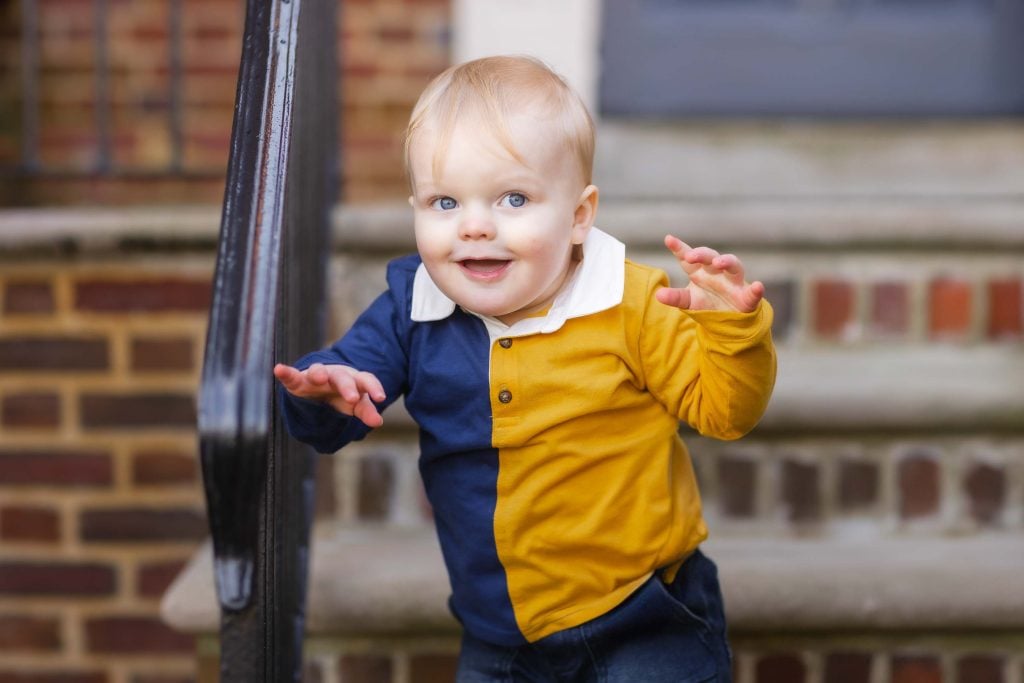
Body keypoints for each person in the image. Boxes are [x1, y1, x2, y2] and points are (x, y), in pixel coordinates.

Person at [275, 55, 776, 682]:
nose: (476, 226)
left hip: (646, 611)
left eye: (513, 198)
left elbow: (726, 413)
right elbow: (339, 406)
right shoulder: (413, 307)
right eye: (444, 201)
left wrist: (730, 330)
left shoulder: (629, 304)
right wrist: (326, 390)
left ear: (578, 216)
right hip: (501, 633)